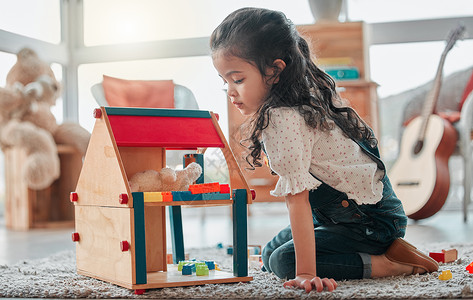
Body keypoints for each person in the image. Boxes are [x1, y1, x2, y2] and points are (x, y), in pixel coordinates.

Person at [210, 7, 439, 293]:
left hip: (367, 222)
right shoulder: (300, 93)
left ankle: (388, 263)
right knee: (269, 254)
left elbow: (298, 201)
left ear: (275, 70)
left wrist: (306, 272)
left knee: (285, 261)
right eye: (225, 82)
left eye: (238, 79)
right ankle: (381, 250)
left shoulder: (283, 119)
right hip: (354, 215)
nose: (230, 91)